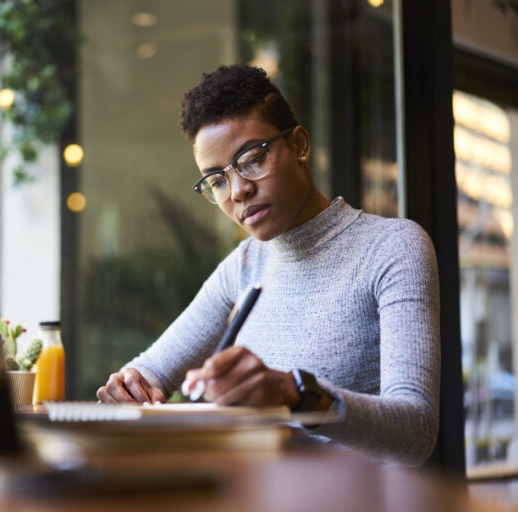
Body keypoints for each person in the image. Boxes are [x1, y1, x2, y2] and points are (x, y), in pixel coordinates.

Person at [96, 64, 440, 466]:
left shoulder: (392, 247)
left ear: (298, 145)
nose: (238, 190)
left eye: (252, 159)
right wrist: (129, 386)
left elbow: (417, 429)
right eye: (217, 181)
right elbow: (151, 370)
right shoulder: (242, 266)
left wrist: (295, 395)